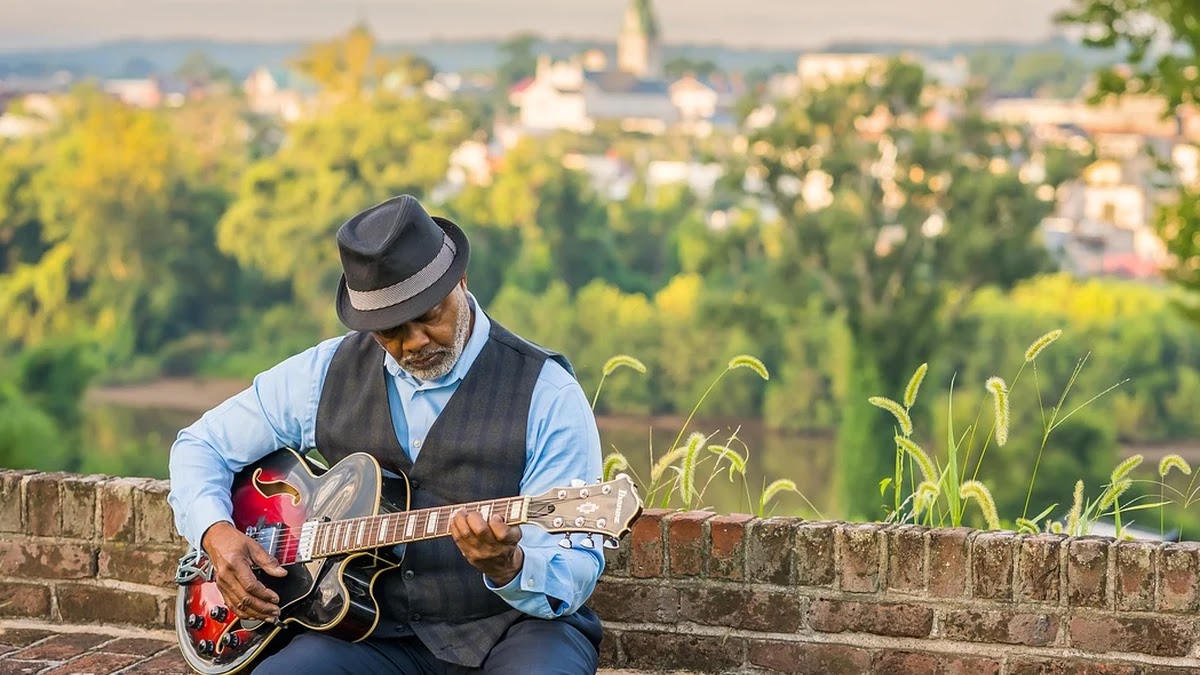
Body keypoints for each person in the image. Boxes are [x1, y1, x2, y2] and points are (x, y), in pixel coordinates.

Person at [167, 194, 605, 674]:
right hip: (367, 634)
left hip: (517, 628)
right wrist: (215, 531)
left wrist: (510, 566)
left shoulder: (547, 392)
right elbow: (200, 445)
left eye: (429, 315)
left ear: (460, 281)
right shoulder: (326, 371)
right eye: (390, 330)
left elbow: (575, 565)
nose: (413, 342)